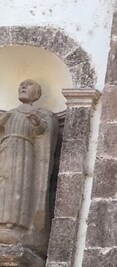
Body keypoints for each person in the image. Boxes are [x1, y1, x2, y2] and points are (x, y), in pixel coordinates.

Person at [0, 79, 57, 250]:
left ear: (37, 94)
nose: (23, 86)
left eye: (28, 84)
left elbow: (43, 131)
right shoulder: (9, 113)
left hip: (25, 154)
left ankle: (15, 225)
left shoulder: (40, 114)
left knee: (19, 186)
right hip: (5, 152)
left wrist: (37, 123)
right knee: (3, 185)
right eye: (21, 85)